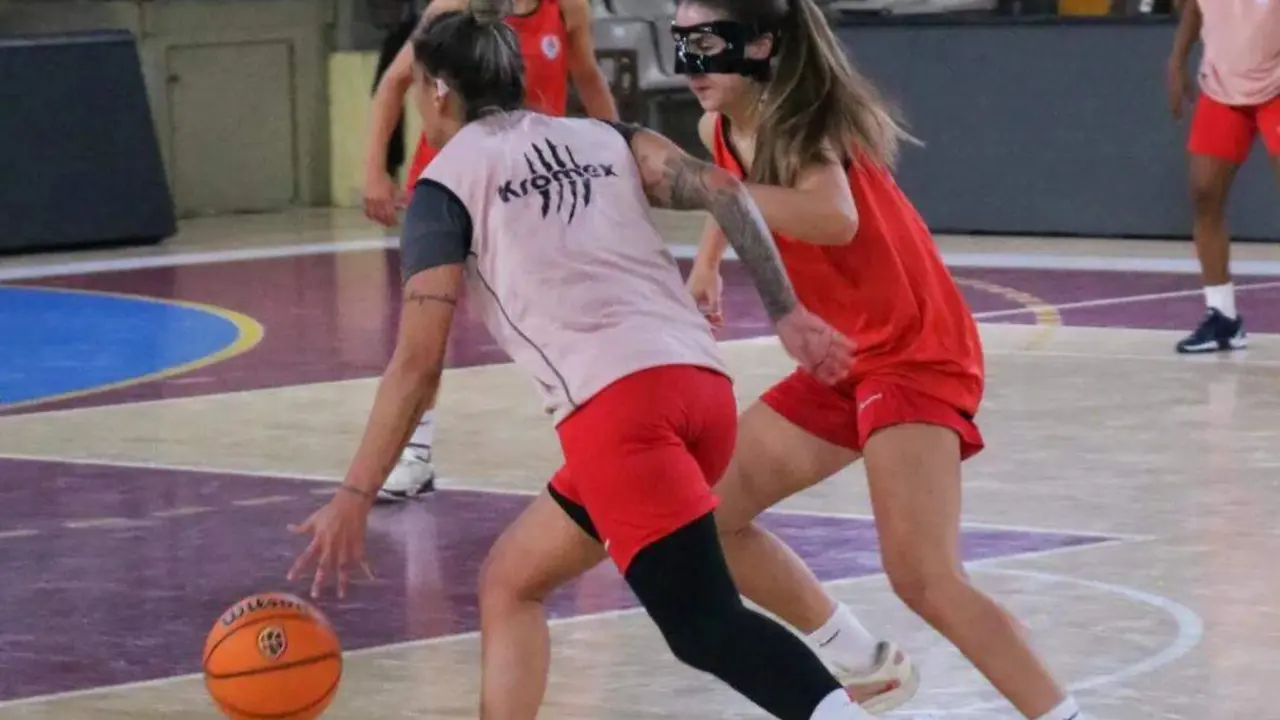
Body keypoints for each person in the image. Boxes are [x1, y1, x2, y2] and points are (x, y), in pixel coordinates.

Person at [287, 2, 885, 718]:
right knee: (511, 579)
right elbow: (723, 191)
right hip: (700, 393)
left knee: (704, 626)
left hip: (618, 416)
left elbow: (418, 366)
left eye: (419, 85)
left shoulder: (445, 188)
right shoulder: (607, 136)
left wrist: (354, 496)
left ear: (439, 90)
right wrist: (784, 310)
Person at [664, 2, 1089, 719]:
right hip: (845, 353)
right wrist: (709, 262)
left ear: (760, 44)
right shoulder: (719, 129)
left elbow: (835, 217)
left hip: (913, 349)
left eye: (707, 43)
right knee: (710, 514)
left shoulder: (803, 121)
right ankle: (862, 659)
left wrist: (714, 192)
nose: (690, 65)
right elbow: (730, 190)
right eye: (681, 43)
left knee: (925, 578)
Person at [362, 0, 620, 501]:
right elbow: (395, 82)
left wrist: (620, 152)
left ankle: (600, 443)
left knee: (572, 312)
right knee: (426, 328)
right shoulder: (451, 8)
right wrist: (375, 168)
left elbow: (587, 77)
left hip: (533, 182)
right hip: (450, 184)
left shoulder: (567, 7)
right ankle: (414, 453)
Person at [1167, 0, 1280, 354]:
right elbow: (1194, 8)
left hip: (1276, 85)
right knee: (1204, 193)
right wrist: (1176, 60)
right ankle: (1223, 317)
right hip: (1221, 86)